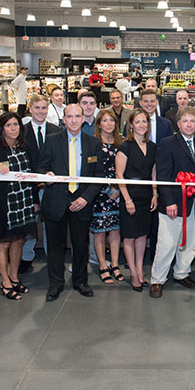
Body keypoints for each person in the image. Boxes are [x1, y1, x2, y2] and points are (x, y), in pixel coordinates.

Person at [39, 104, 103, 301]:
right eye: (70, 117)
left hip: (81, 202)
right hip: (56, 201)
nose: (74, 120)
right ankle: (55, 284)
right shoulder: (50, 141)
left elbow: (98, 176)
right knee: (55, 246)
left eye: (77, 116)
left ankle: (80, 281)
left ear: (83, 118)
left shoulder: (93, 143)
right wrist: (46, 175)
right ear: (63, 120)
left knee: (81, 245)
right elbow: (41, 169)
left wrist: (85, 198)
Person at [150, 106, 195, 298]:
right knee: (166, 243)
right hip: (173, 204)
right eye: (185, 121)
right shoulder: (167, 144)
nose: (189, 124)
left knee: (191, 241)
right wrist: (168, 202)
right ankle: (157, 279)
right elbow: (163, 175)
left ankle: (182, 272)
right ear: (178, 124)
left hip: (194, 203)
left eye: (192, 121)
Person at [0, 112, 40, 300]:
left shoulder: (26, 148)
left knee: (18, 240)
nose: (13, 128)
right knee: (3, 242)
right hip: (4, 203)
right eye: (9, 125)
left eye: (16, 125)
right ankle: (5, 281)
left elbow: (33, 175)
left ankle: (14, 277)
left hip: (24, 200)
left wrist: (35, 200)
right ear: (2, 128)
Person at [18, 94, 61, 274]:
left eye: (44, 108)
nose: (41, 111)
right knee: (30, 224)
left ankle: (52, 258)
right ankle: (26, 258)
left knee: (50, 225)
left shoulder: (56, 130)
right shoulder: (22, 131)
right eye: (37, 108)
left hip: (51, 186)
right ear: (30, 108)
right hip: (28, 187)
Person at [116, 108, 158, 291]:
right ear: (131, 125)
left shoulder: (153, 147)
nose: (142, 125)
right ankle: (133, 273)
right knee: (129, 237)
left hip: (146, 196)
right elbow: (119, 174)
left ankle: (140, 271)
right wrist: (127, 200)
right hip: (130, 195)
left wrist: (155, 193)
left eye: (144, 121)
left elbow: (154, 172)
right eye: (138, 122)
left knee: (142, 236)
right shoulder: (125, 147)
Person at [90, 109, 125, 284]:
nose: (109, 123)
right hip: (101, 193)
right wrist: (109, 190)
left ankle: (115, 264)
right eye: (105, 120)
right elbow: (93, 172)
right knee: (100, 231)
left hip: (120, 193)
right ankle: (103, 265)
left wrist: (120, 190)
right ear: (99, 124)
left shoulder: (122, 143)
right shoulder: (94, 144)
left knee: (115, 230)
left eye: (112, 120)